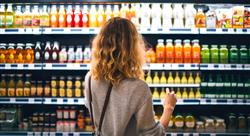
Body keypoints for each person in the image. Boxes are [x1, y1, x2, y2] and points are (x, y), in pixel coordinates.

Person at [84, 17, 177, 136]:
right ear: (132, 48)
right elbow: (153, 134)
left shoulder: (90, 78)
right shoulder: (138, 87)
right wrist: (169, 108)